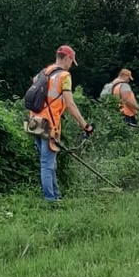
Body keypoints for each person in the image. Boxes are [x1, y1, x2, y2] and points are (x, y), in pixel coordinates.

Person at [27, 45, 93, 202]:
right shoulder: (64, 76)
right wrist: (85, 125)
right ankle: (50, 201)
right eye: (72, 61)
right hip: (49, 124)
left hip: (34, 122)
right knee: (47, 164)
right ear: (67, 58)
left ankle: (55, 195)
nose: (71, 65)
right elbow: (70, 105)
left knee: (48, 163)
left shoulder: (43, 72)